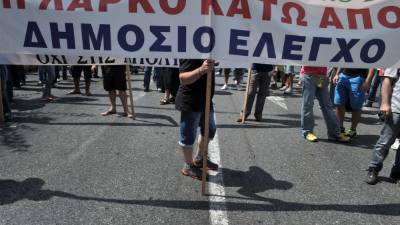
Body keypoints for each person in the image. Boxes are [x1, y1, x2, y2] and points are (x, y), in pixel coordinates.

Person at [176, 59, 218, 180]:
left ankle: (199, 159)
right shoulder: (192, 50)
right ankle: (188, 166)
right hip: (191, 101)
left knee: (210, 130)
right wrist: (201, 70)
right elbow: (183, 78)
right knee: (188, 136)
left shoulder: (210, 51)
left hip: (206, 100)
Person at [366, 68, 400, 185]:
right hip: (397, 108)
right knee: (385, 141)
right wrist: (385, 103)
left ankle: (396, 173)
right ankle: (373, 169)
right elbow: (387, 81)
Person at [300, 66, 350, 143]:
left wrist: (325, 75)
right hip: (308, 75)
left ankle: (334, 134)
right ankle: (307, 132)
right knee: (308, 105)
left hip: (321, 76)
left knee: (327, 106)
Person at [333, 68, 375, 139]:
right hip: (343, 75)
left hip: (358, 77)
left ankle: (353, 130)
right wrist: (337, 74)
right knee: (338, 103)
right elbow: (343, 59)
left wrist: (368, 81)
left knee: (356, 106)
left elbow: (372, 66)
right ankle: (340, 128)